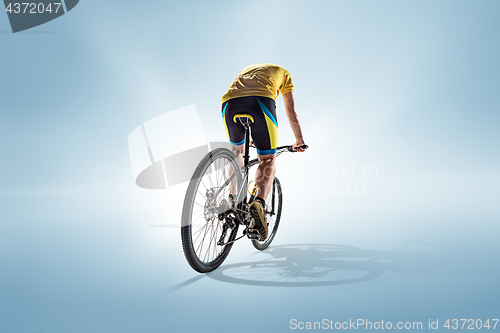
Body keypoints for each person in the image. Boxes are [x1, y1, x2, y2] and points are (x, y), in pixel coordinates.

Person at [221, 63, 306, 240]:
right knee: (267, 159)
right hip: (260, 102)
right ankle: (258, 202)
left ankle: (232, 199)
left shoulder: (246, 69)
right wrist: (299, 139)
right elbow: (291, 111)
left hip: (229, 104)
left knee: (237, 151)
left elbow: (243, 94)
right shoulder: (284, 73)